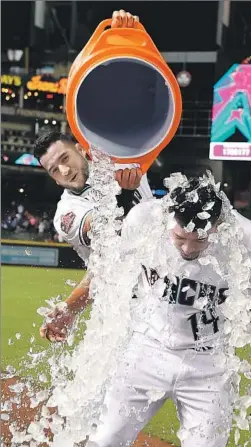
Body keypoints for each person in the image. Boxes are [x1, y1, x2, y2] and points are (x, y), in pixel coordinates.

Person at [41, 176, 251, 447]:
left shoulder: (247, 239)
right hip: (146, 350)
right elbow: (106, 273)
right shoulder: (145, 219)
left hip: (209, 365)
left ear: (218, 226)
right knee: (102, 446)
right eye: (180, 238)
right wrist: (68, 310)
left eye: (198, 241)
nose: (186, 250)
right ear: (170, 217)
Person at [33, 10, 153, 266]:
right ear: (53, 179)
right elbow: (103, 232)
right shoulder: (66, 213)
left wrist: (123, 34)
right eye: (54, 170)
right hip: (124, 298)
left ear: (80, 147)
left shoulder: (117, 155)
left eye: (65, 158)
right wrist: (124, 193)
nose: (64, 170)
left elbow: (116, 96)